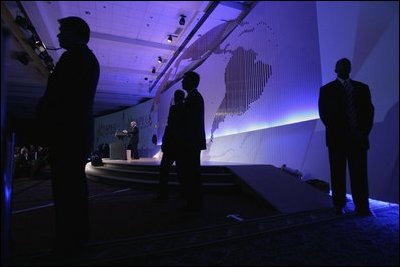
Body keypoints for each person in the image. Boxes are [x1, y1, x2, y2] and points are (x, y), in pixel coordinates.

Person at [36, 16, 99, 255]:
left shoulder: (77, 58)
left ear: (77, 33)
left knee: (67, 191)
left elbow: (62, 98)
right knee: (72, 189)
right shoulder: (82, 58)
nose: (59, 35)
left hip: (69, 135)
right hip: (73, 134)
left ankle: (69, 241)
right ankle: (76, 237)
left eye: (63, 31)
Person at [318, 58, 374, 216]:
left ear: (350, 68)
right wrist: (343, 133)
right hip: (337, 140)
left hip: (359, 139)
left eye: (347, 65)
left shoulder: (363, 88)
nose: (344, 67)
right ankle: (338, 205)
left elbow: (369, 112)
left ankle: (362, 206)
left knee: (360, 175)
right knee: (337, 174)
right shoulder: (326, 90)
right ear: (335, 69)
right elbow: (325, 115)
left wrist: (362, 132)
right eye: (341, 65)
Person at [176, 71, 206, 212]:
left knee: (192, 174)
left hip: (191, 143)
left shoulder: (194, 98)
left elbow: (190, 122)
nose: (182, 82)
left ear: (192, 82)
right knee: (191, 174)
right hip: (191, 142)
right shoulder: (193, 97)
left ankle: (194, 207)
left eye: (184, 80)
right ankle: (193, 205)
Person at [157, 89, 185, 200]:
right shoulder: (186, 108)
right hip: (180, 146)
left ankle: (163, 195)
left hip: (171, 145)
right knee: (181, 172)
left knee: (164, 171)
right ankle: (182, 195)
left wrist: (165, 142)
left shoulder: (174, 109)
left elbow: (170, 127)